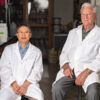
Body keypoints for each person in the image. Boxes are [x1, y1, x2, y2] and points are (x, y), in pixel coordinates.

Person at [52, 2, 100, 100]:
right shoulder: (73, 32)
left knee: (93, 92)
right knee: (57, 88)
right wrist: (65, 67)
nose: (85, 17)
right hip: (70, 70)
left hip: (89, 71)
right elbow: (64, 53)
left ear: (94, 16)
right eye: (83, 14)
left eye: (89, 14)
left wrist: (85, 73)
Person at [0, 25, 44, 100]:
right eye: (21, 32)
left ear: (30, 35)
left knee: (39, 98)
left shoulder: (36, 51)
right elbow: (4, 69)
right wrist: (14, 84)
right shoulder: (8, 49)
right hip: (10, 84)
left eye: (26, 32)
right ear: (17, 34)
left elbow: (37, 71)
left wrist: (25, 85)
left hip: (29, 85)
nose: (23, 35)